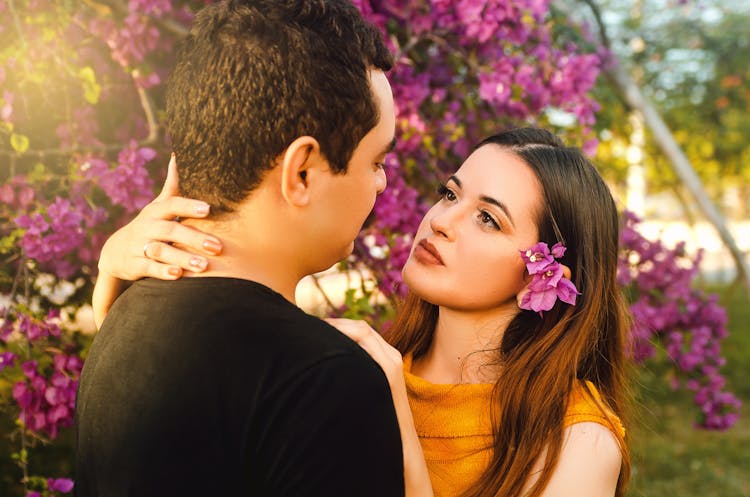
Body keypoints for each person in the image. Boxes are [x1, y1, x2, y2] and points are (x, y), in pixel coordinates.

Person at [96, 127, 631, 497]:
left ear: (549, 275)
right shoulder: (363, 364)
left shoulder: (576, 440)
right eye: (450, 195)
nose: (441, 221)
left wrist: (393, 410)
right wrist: (119, 282)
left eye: (488, 220)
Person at [74, 1, 410, 496]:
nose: (381, 184)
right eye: (376, 161)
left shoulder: (123, 314)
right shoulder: (324, 383)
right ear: (302, 173)